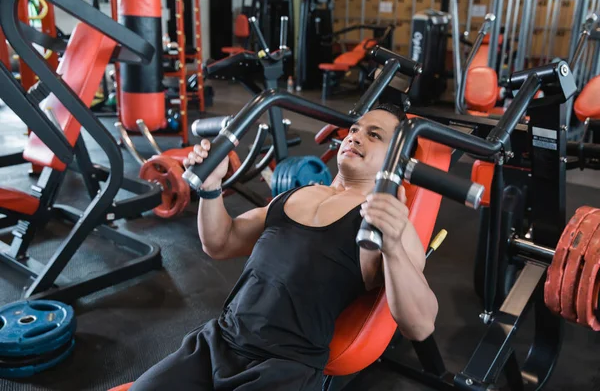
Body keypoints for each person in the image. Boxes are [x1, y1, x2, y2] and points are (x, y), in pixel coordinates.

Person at [130, 103, 438, 391]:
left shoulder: (386, 220)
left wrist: (394, 247)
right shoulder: (298, 195)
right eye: (355, 130)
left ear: (397, 162)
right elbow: (220, 243)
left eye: (374, 135)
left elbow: (420, 325)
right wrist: (211, 188)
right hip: (216, 342)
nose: (355, 138)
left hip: (283, 368)